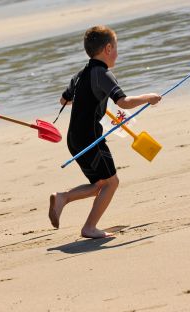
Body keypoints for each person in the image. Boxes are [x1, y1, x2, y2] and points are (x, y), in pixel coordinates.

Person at [48, 25, 162, 238]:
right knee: (112, 182)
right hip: (90, 138)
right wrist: (148, 97)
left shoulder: (80, 74)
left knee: (99, 184)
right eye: (116, 48)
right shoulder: (103, 74)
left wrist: (87, 100)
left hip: (74, 138)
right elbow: (123, 102)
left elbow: (64, 99)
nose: (117, 53)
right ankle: (89, 228)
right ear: (108, 48)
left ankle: (62, 198)